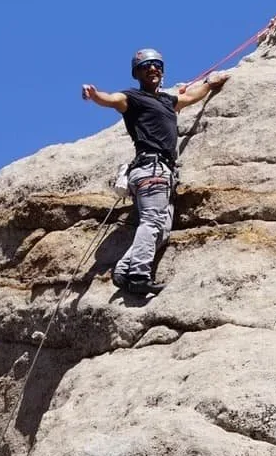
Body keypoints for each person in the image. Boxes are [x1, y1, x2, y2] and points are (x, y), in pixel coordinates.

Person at [81, 49, 232, 295]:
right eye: (146, 66)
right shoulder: (133, 98)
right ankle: (139, 275)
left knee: (161, 230)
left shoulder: (166, 100)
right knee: (152, 221)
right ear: (137, 73)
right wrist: (94, 94)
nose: (153, 69)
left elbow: (191, 97)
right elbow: (111, 99)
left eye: (156, 65)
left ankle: (124, 269)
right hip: (150, 168)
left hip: (163, 172)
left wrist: (210, 83)